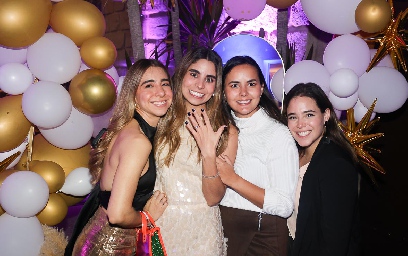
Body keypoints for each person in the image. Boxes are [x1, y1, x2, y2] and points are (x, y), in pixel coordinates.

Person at [64, 59, 173, 255]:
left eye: (165, 83)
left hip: (100, 235)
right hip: (110, 246)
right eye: (149, 85)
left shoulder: (128, 127)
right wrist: (148, 218)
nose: (161, 92)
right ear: (133, 94)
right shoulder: (138, 142)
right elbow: (118, 214)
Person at [153, 46, 238, 255]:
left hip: (202, 231)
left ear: (216, 87)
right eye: (194, 74)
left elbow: (213, 198)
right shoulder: (161, 117)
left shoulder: (226, 131)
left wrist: (208, 153)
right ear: (182, 74)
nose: (200, 85)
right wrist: (143, 212)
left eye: (209, 79)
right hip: (162, 223)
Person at [216, 55, 299, 255]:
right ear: (223, 92)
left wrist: (233, 179)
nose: (243, 93)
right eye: (234, 85)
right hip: (222, 230)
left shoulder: (277, 133)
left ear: (261, 88)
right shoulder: (218, 130)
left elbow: (284, 205)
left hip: (262, 236)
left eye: (251, 84)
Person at [282, 82, 360, 256]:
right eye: (293, 117)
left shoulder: (335, 165)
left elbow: (335, 243)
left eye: (309, 115)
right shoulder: (294, 154)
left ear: (326, 115)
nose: (300, 124)